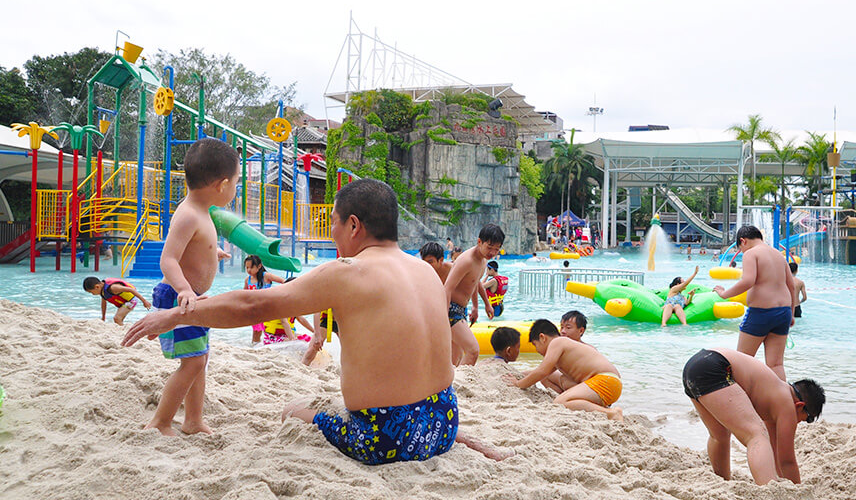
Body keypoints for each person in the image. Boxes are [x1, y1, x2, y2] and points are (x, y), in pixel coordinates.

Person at [126, 178, 507, 463]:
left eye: (335, 225)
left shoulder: (348, 271)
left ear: (354, 226)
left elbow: (251, 306)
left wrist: (176, 315)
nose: (333, 235)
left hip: (384, 438)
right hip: (444, 418)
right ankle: (459, 440)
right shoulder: (425, 271)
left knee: (291, 411)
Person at [120, 137, 237, 436]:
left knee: (199, 360)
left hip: (190, 296)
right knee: (193, 363)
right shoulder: (187, 215)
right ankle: (160, 421)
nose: (235, 190)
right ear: (222, 185)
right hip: (177, 296)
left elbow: (191, 250)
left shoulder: (201, 211)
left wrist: (214, 253)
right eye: (237, 183)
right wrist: (185, 289)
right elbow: (168, 260)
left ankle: (193, 421)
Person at [682, 347, 825, 485]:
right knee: (756, 434)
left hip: (695, 365)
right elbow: (787, 460)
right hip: (716, 367)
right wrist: (797, 491)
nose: (801, 422)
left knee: (719, 436)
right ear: (800, 405)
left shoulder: (775, 397)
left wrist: (783, 479)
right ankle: (769, 491)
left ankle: (723, 482)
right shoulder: (787, 404)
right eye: (808, 418)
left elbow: (774, 452)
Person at [712, 225, 797, 380]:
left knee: (742, 360)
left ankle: (743, 399)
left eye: (741, 249)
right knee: (776, 364)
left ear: (743, 241)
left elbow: (748, 281)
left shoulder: (751, 253)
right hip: (783, 311)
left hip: (761, 313)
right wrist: (791, 314)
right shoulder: (778, 255)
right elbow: (791, 286)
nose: (743, 252)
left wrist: (724, 294)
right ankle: (782, 400)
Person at [513, 319, 623, 421]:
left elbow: (542, 371)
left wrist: (518, 384)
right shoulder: (561, 349)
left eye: (535, 345)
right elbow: (539, 373)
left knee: (560, 402)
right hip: (606, 382)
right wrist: (518, 374)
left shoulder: (558, 342)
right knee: (553, 378)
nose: (537, 350)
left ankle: (611, 413)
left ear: (542, 337)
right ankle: (585, 404)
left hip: (606, 381)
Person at [444, 224, 503, 366]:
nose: (493, 252)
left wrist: (480, 306)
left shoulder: (483, 260)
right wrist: (443, 317)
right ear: (479, 242)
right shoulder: (466, 261)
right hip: (451, 309)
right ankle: (461, 384)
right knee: (472, 350)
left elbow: (475, 283)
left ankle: (450, 386)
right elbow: (447, 288)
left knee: (455, 358)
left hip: (461, 309)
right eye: (489, 247)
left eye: (496, 249)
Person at [244, 255, 289, 343]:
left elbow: (284, 281)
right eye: (247, 267)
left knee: (267, 330)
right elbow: (244, 294)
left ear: (259, 266)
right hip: (255, 310)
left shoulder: (266, 276)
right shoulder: (247, 280)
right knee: (256, 332)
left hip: (267, 308)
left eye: (251, 267)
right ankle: (255, 347)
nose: (249, 270)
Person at [83, 276, 152, 326]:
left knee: (117, 318)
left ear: (97, 287)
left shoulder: (113, 288)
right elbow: (103, 304)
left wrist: (144, 301)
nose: (92, 294)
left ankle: (123, 333)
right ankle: (122, 329)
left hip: (131, 300)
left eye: (91, 292)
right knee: (119, 319)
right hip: (123, 302)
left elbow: (131, 290)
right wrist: (103, 317)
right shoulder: (102, 291)